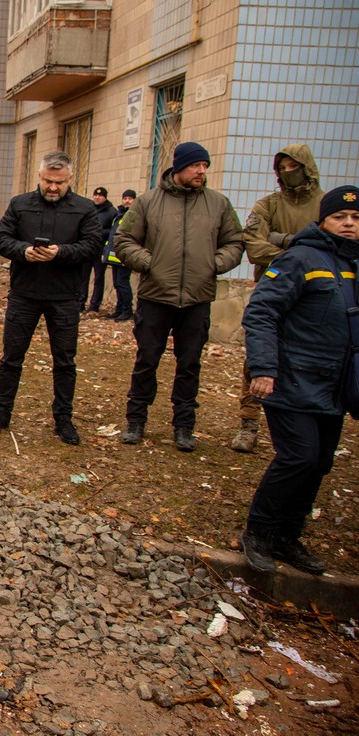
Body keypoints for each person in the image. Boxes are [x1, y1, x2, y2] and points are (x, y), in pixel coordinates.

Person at [239, 185, 359, 575]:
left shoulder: (353, 265)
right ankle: (258, 532)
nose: (348, 223)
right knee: (299, 457)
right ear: (322, 221)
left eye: (356, 217)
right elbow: (262, 312)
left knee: (320, 462)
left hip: (334, 385)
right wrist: (263, 368)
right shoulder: (301, 259)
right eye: (340, 216)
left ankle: (287, 536)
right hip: (293, 380)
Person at [115, 142, 244, 452]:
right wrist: (149, 263)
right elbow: (124, 239)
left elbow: (235, 242)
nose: (201, 171)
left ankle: (184, 426)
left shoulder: (218, 204)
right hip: (155, 297)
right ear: (178, 166)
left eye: (205, 166)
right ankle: (136, 420)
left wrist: (215, 264)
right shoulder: (147, 202)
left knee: (189, 364)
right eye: (195, 165)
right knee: (147, 360)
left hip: (197, 300)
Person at [0, 151, 100, 445]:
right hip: (24, 294)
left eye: (59, 182)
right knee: (11, 358)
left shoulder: (84, 208)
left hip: (65, 297)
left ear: (70, 178)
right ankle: (2, 412)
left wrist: (61, 252)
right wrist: (23, 251)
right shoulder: (20, 204)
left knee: (65, 362)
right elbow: (0, 238)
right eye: (48, 181)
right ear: (39, 176)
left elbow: (93, 245)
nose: (53, 187)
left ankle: (64, 419)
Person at [233, 145, 324, 453]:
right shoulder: (267, 205)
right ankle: (249, 422)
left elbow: (336, 246)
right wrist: (302, 251)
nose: (287, 173)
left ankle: (306, 425)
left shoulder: (326, 205)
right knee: (258, 357)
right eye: (282, 168)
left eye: (293, 167)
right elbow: (254, 246)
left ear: (307, 167)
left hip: (316, 296)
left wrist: (282, 240)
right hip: (271, 290)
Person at [80, 186, 117, 315]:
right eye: (95, 195)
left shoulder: (112, 212)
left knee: (99, 278)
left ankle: (94, 304)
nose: (97, 197)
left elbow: (113, 231)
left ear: (105, 197)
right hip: (87, 248)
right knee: (83, 277)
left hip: (101, 249)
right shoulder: (89, 209)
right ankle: (80, 302)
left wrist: (100, 233)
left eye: (100, 196)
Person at [105, 189, 136, 321]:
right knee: (117, 284)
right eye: (125, 198)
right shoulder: (119, 215)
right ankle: (119, 309)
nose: (127, 201)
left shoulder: (133, 215)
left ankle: (127, 310)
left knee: (123, 283)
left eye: (130, 198)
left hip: (125, 255)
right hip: (114, 255)